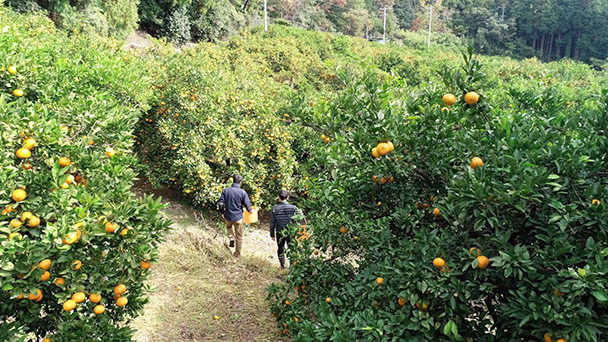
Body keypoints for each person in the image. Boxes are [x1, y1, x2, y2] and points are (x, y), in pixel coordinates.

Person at [218, 175, 252, 258]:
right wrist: (250, 210)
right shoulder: (242, 192)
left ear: (232, 180)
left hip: (228, 216)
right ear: (240, 182)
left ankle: (231, 237)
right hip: (238, 217)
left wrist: (222, 212)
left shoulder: (226, 191)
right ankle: (237, 255)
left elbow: (220, 203)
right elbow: (247, 205)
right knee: (239, 237)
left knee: (229, 227)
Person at [270, 190, 301, 269]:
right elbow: (298, 220)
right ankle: (292, 266)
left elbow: (272, 223)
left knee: (280, 248)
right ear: (287, 197)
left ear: (278, 198)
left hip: (280, 231)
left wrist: (272, 234)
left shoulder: (275, 209)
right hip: (290, 231)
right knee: (292, 249)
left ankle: (282, 265)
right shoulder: (293, 208)